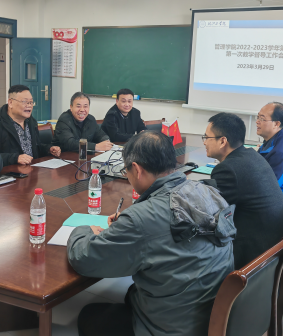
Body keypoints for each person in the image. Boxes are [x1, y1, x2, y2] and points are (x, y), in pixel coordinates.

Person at [68, 131, 236, 336]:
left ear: (137, 169)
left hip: (170, 328)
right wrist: (128, 225)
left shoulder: (141, 219)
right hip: (213, 315)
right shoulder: (207, 190)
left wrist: (83, 230)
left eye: (126, 170)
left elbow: (84, 259)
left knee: (89, 316)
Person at [202, 112, 283, 269]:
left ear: (222, 141)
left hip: (253, 255)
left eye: (207, 137)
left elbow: (207, 212)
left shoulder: (228, 169)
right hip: (273, 247)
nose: (204, 142)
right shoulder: (250, 155)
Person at [0, 85, 61, 166]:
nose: (29, 105)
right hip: (11, 171)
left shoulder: (31, 121)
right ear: (10, 103)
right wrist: (16, 158)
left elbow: (35, 148)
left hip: (32, 169)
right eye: (25, 102)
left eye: (31, 102)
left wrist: (48, 149)